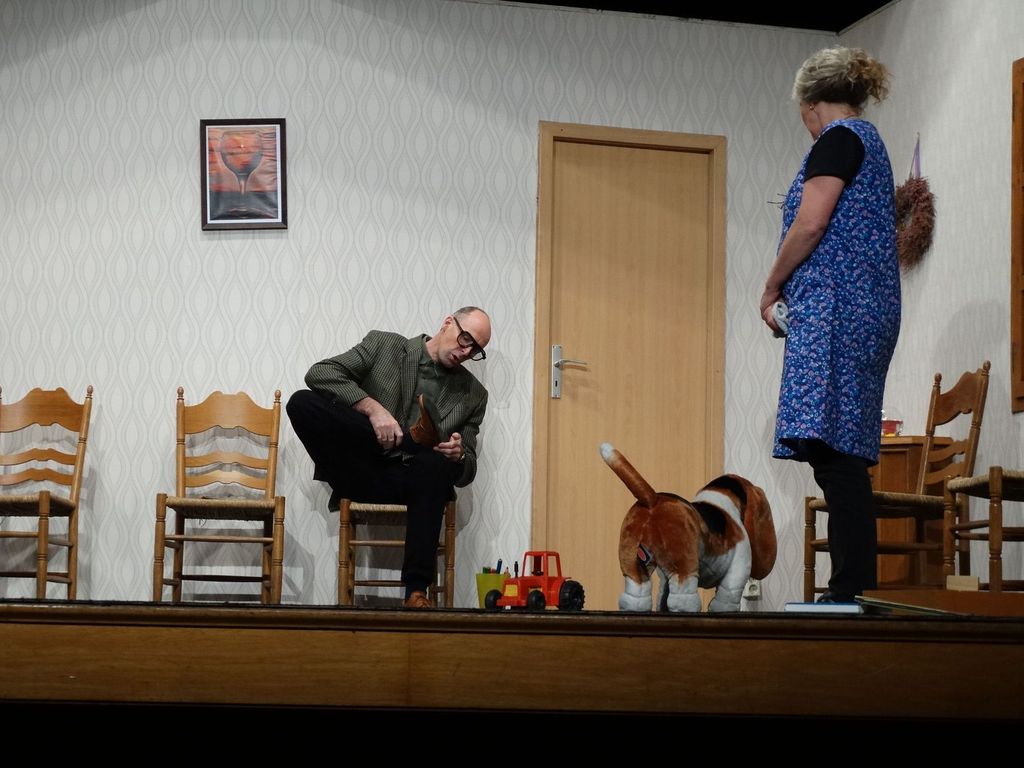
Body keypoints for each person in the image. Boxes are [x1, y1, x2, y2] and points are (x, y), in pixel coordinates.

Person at [760, 47, 900, 603]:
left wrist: (772, 286)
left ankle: (850, 591)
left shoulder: (838, 139)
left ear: (811, 102)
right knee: (839, 453)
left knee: (836, 455)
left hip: (840, 312)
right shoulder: (867, 141)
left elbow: (811, 223)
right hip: (859, 309)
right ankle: (851, 588)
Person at [287, 307, 491, 609]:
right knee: (301, 402)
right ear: (448, 323)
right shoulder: (384, 345)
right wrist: (373, 410)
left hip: (413, 482)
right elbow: (319, 373)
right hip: (361, 468)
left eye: (475, 350)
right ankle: (409, 438)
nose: (466, 352)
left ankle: (416, 592)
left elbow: (468, 470)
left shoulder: (473, 394)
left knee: (436, 463)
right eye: (466, 340)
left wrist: (459, 454)